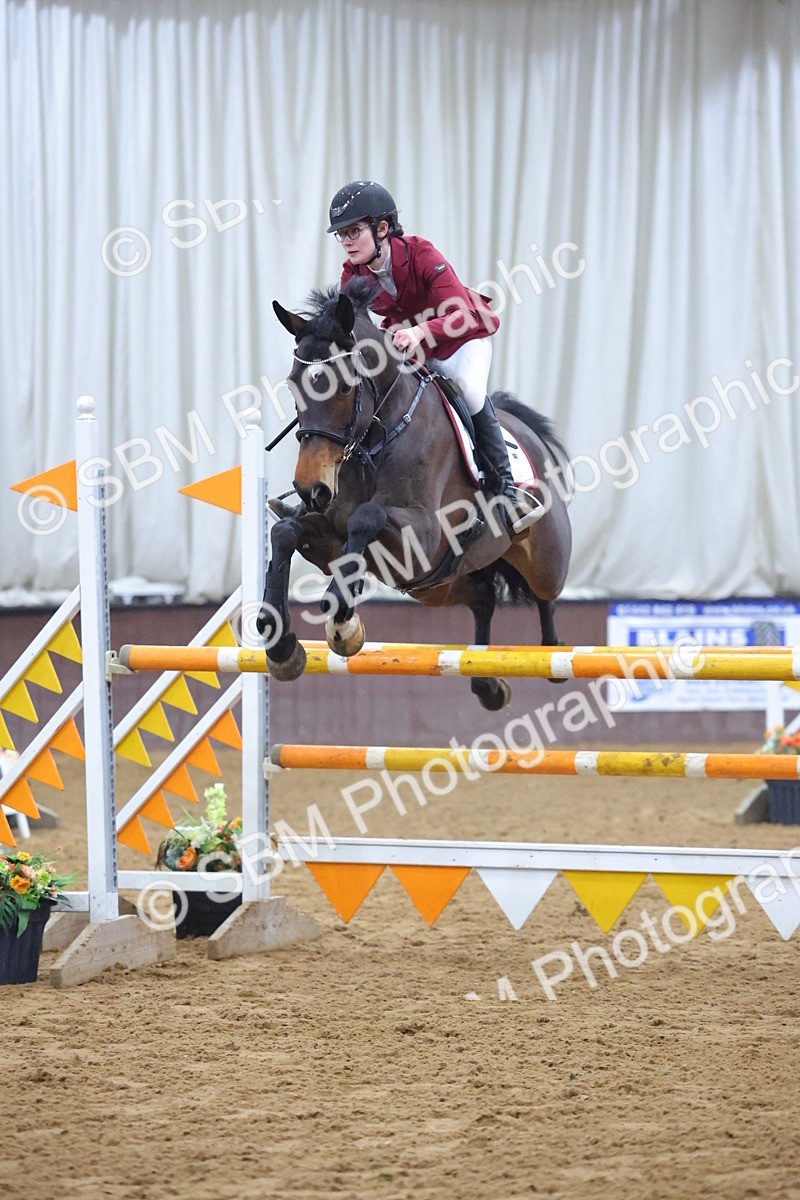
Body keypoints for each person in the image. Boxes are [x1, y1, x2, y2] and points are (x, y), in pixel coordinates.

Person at [328, 179, 540, 533]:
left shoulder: (422, 254)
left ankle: (506, 490)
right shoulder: (353, 273)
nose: (346, 241)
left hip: (462, 341)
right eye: (341, 234)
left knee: (469, 391)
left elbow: (462, 314)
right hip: (414, 350)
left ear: (382, 229)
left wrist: (419, 331)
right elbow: (352, 325)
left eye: (354, 230)